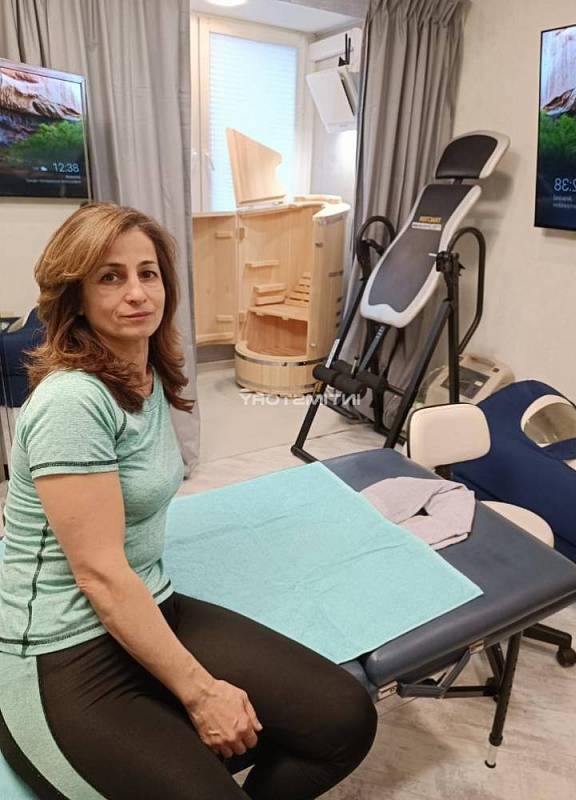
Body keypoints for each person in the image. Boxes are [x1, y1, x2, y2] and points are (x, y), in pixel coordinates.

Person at [0, 203, 377, 800]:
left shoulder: (143, 372)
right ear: (77, 297)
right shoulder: (72, 402)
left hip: (147, 603)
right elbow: (99, 576)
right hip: (60, 651)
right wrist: (201, 693)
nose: (137, 292)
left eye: (147, 273)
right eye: (110, 276)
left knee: (344, 720)